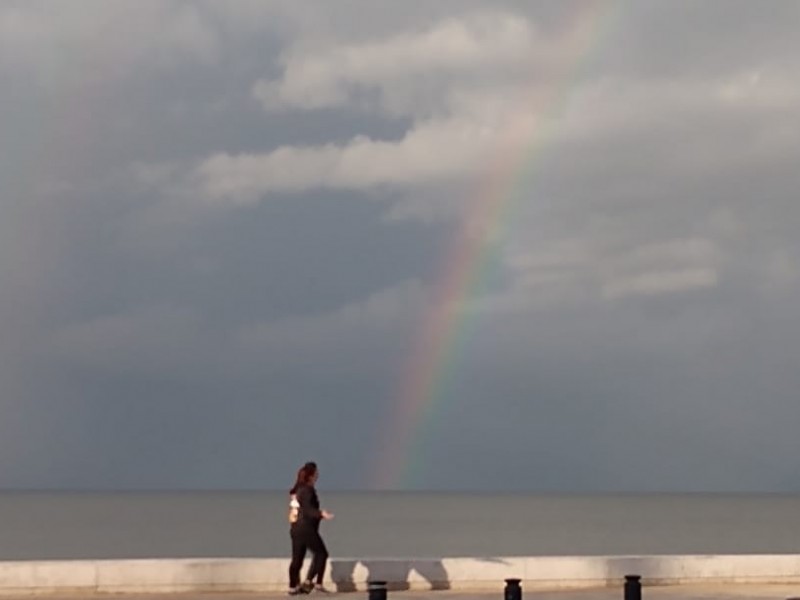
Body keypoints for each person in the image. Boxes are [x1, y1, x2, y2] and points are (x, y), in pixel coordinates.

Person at [288, 461, 334, 595]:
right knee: (321, 554)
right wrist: (321, 513)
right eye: (316, 473)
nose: (318, 475)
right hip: (306, 528)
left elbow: (295, 510)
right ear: (310, 476)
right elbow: (308, 509)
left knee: (297, 559)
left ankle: (293, 587)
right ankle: (309, 582)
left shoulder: (295, 491)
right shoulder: (307, 490)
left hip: (295, 528)